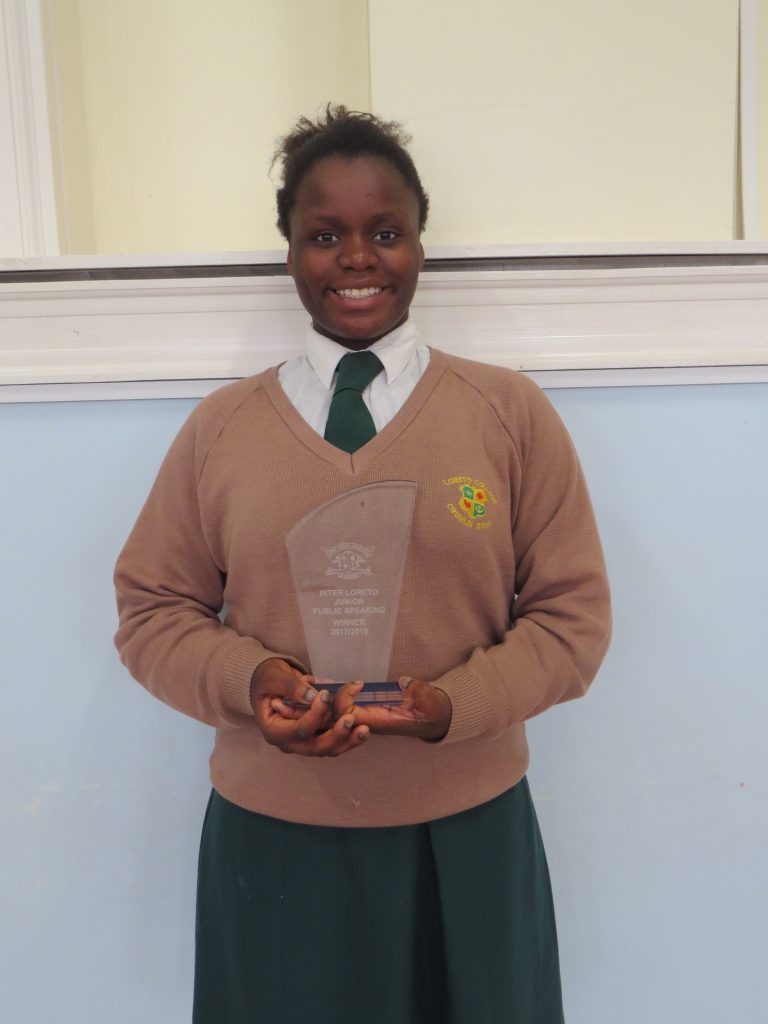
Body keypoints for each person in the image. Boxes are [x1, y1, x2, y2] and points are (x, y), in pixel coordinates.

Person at [114, 105, 611, 1024]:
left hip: (466, 836)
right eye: (324, 235)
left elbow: (572, 619)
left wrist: (452, 706)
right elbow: (152, 611)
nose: (356, 258)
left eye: (386, 232)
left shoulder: (508, 416)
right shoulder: (221, 430)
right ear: (288, 248)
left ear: (422, 243)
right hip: (277, 842)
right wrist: (250, 676)